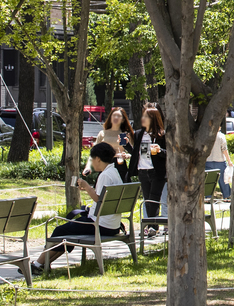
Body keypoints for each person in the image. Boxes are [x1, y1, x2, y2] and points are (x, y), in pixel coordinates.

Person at [31, 142, 124, 274]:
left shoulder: (105, 175)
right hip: (112, 224)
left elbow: (99, 199)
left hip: (100, 225)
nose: (92, 162)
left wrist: (87, 187)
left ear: (98, 158)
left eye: (92, 159)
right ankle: (43, 264)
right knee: (67, 233)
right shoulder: (114, 171)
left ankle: (37, 263)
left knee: (60, 230)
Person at [132, 107, 167, 235]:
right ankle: (150, 225)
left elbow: (169, 154)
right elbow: (137, 153)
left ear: (153, 119)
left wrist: (159, 151)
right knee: (147, 199)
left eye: (146, 117)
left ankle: (153, 226)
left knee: (154, 198)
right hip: (143, 170)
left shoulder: (162, 135)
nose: (143, 119)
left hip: (156, 171)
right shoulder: (138, 134)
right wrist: (126, 146)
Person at [94, 108, 135, 180]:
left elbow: (133, 152)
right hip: (105, 165)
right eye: (114, 115)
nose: (116, 117)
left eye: (118, 116)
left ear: (123, 120)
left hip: (120, 166)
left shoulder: (125, 134)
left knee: (121, 189)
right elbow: (95, 151)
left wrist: (127, 155)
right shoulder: (103, 133)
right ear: (110, 117)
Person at [206, 121, 231, 200]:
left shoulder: (207, 135)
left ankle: (208, 197)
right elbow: (224, 149)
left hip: (208, 161)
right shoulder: (221, 136)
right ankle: (227, 196)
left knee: (209, 180)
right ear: (219, 127)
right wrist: (229, 161)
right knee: (223, 180)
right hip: (220, 161)